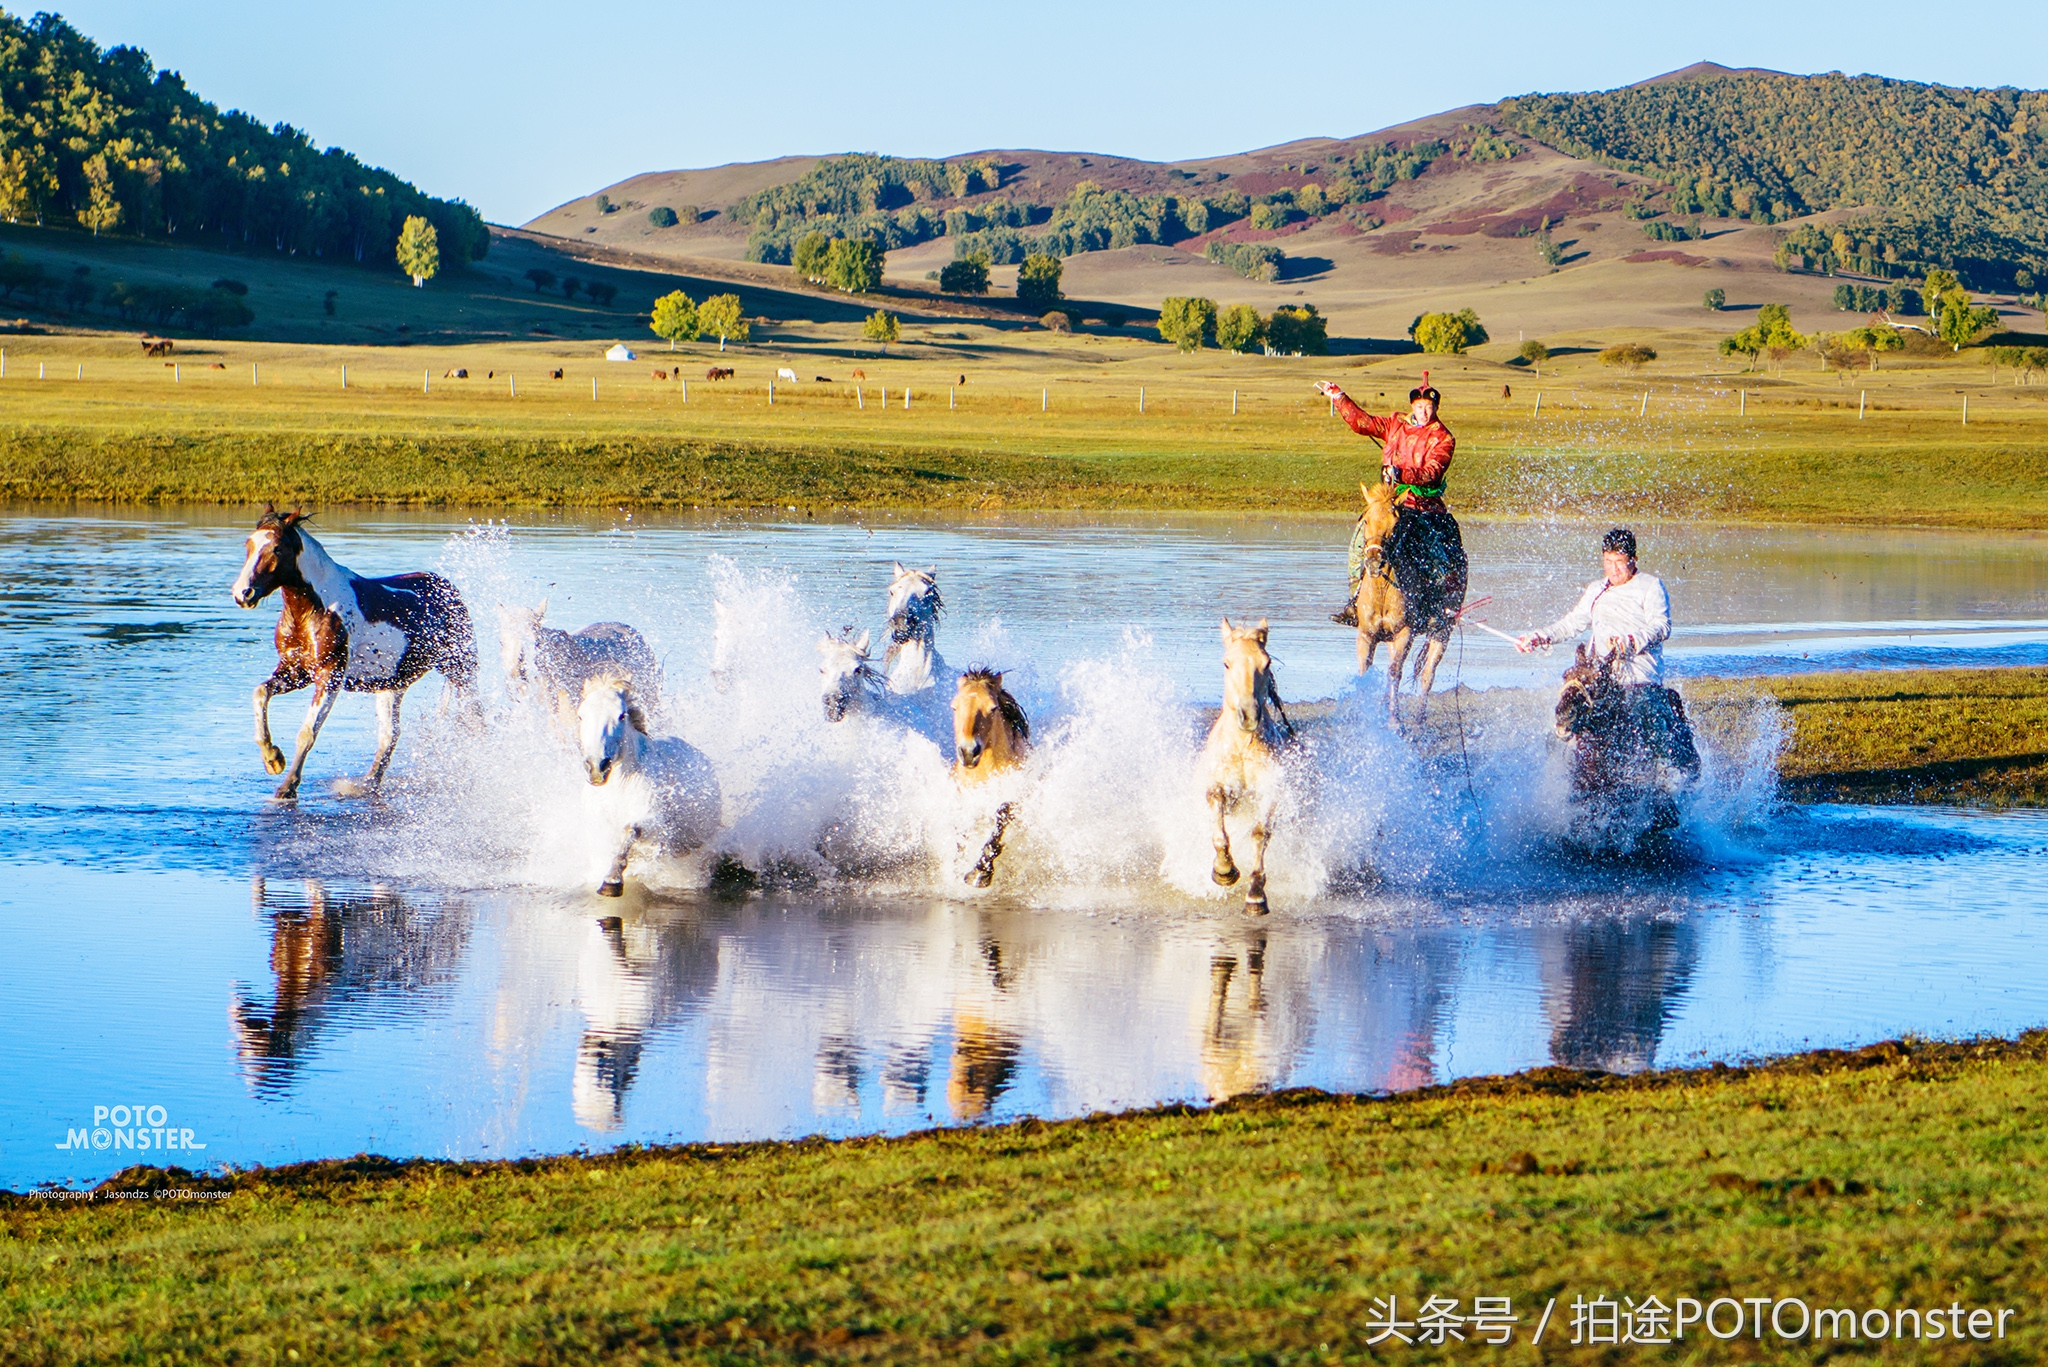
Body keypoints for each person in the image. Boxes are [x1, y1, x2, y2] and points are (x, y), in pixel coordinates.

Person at [1518, 528, 1699, 775]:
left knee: (1644, 709)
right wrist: (1540, 637)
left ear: (1633, 560)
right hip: (1601, 677)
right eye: (1607, 562)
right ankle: (1554, 772)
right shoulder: (1596, 589)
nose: (1613, 570)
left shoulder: (1651, 586)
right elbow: (1572, 623)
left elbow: (1661, 626)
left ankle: (1664, 775)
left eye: (1619, 563)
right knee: (1568, 711)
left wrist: (1631, 641)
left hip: (1639, 677)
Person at [1315, 374, 1468, 631]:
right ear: (1412, 406)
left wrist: (1401, 473)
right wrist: (1339, 397)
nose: (1424, 411)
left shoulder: (1444, 438)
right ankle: (1355, 601)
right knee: (1358, 543)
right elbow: (1363, 423)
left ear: (1436, 408)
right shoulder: (1395, 424)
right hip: (1388, 503)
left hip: (1422, 506)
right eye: (1419, 406)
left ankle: (1435, 608)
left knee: (1437, 556)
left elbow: (1433, 472)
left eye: (1429, 407)